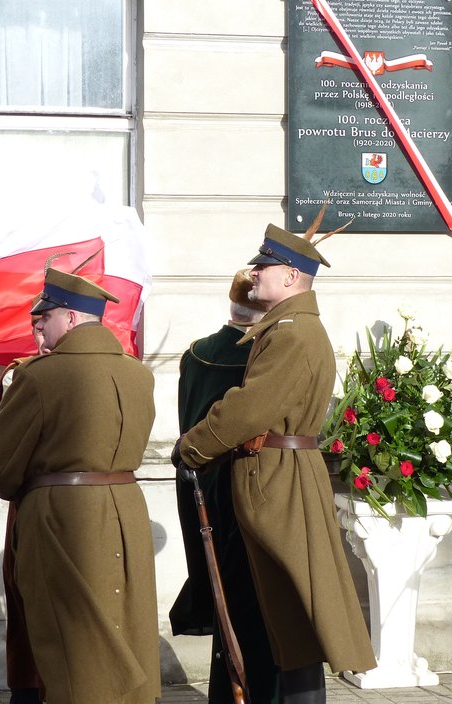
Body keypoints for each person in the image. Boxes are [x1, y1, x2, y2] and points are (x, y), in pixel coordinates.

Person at [175, 224, 377, 704]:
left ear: (290, 276)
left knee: (284, 610)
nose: (254, 273)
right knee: (281, 613)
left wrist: (192, 446)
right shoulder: (289, 327)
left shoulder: (290, 332)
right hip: (279, 476)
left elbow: (249, 408)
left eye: (263, 266)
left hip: (276, 481)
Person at [0, 269, 159, 704]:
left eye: (47, 316)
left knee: (69, 646)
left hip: (63, 518)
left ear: (73, 318)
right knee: (123, 628)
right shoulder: (139, 374)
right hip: (127, 511)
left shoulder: (41, 376)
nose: (39, 324)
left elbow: (1, 462)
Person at [170, 269, 280, 704]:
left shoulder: (195, 352)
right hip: (241, 479)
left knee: (220, 590)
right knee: (246, 596)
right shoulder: (262, 354)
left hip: (198, 477)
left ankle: (226, 686)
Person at [0, 311, 47, 704]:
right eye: (36, 326)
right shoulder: (20, 374)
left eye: (48, 322)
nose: (41, 332)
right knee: (27, 599)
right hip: (31, 502)